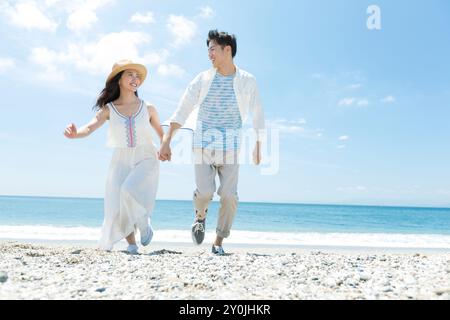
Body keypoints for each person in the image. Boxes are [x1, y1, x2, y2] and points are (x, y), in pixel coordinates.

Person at [159, 30, 265, 255]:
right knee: (205, 193)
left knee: (228, 196)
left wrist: (258, 143)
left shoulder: (247, 81)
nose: (209, 54)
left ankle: (218, 242)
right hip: (202, 146)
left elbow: (257, 113)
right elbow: (183, 109)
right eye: (208, 49)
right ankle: (200, 217)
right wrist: (167, 139)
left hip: (231, 148)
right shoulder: (202, 79)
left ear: (228, 50)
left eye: (213, 49)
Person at [64, 59, 164, 254]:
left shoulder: (148, 107)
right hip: (121, 159)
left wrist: (165, 146)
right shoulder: (109, 109)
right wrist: (76, 134)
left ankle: (144, 222)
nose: (135, 79)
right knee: (117, 203)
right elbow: (91, 126)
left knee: (129, 189)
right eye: (130, 75)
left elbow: (161, 132)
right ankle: (132, 244)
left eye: (138, 76)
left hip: (146, 155)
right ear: (119, 79)